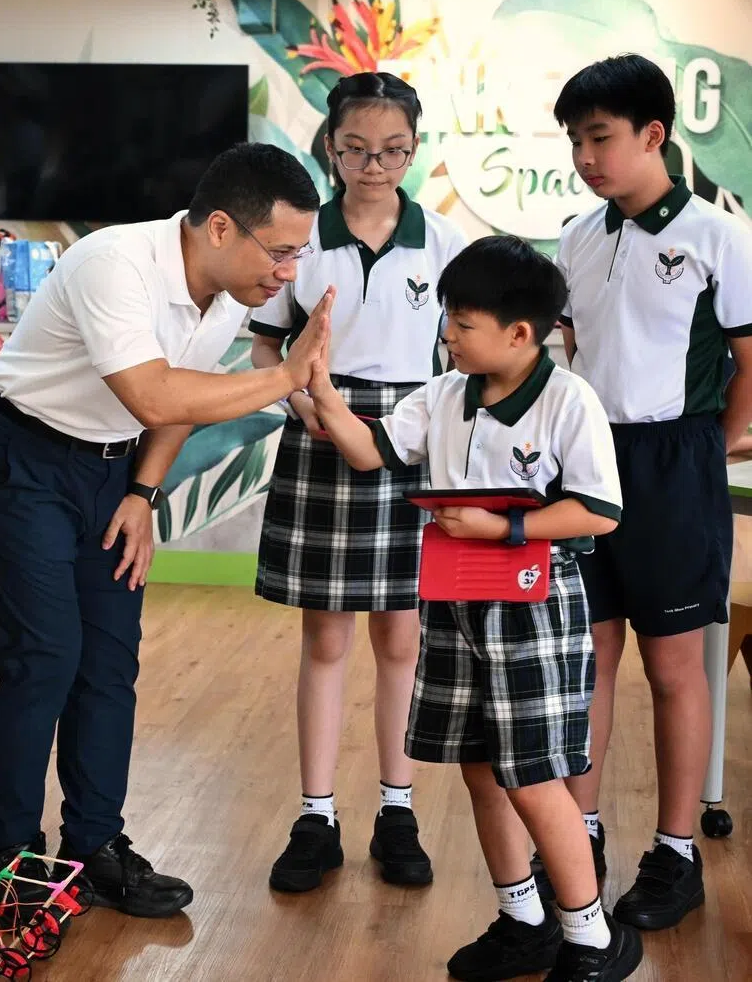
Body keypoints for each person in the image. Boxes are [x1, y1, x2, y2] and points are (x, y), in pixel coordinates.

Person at [0, 142, 332, 916]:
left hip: (108, 468)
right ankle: (14, 866)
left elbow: (177, 404)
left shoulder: (226, 293)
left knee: (109, 663)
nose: (289, 272)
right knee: (43, 661)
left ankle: (94, 849)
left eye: (299, 254)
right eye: (282, 251)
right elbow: (158, 394)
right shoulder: (114, 263)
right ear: (222, 228)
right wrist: (288, 376)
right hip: (19, 454)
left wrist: (143, 495)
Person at [306, 235, 641, 981]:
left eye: (461, 323)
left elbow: (599, 511)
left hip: (533, 611)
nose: (446, 335)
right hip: (455, 606)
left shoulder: (567, 400)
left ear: (520, 333)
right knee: (481, 769)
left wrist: (505, 527)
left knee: (531, 775)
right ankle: (523, 920)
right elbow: (371, 452)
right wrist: (321, 390)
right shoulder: (442, 396)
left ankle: (591, 936)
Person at [546, 54, 752, 929]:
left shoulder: (718, 235)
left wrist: (720, 440)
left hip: (678, 465)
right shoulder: (579, 236)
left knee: (676, 667)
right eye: (576, 141)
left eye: (601, 137)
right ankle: (578, 832)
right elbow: (561, 355)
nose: (587, 156)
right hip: (587, 468)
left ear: (653, 135)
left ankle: (674, 855)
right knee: (587, 660)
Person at [250, 72, 466, 893]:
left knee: (403, 640)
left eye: (393, 151)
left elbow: (459, 363)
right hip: (318, 426)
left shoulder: (443, 243)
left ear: (414, 147)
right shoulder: (300, 240)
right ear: (330, 148)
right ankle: (316, 815)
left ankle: (398, 809)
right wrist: (300, 400)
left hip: (412, 439)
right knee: (326, 639)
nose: (374, 166)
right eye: (356, 150)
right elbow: (268, 346)